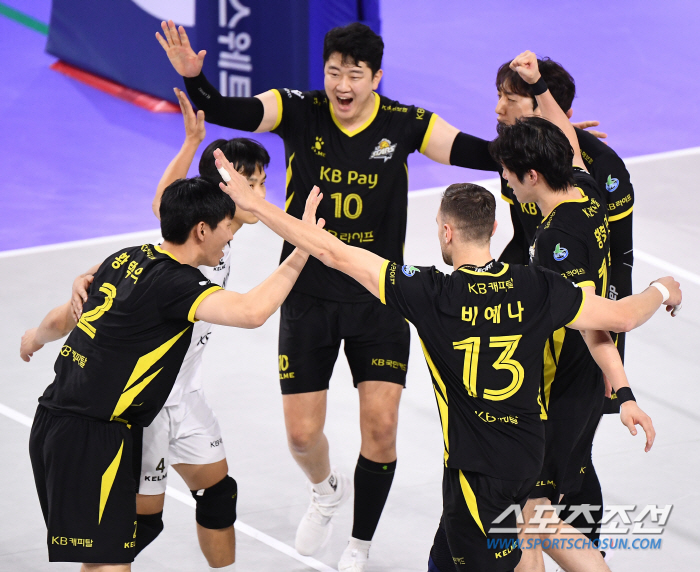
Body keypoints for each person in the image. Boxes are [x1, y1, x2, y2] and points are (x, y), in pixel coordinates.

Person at [211, 147, 681, 572]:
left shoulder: (431, 293)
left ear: (446, 231)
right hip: (528, 453)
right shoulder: (538, 286)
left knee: (502, 550)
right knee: (520, 531)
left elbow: (332, 252)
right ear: (494, 229)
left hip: (477, 472)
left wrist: (255, 205)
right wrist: (661, 289)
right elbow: (621, 317)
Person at [20, 176, 319, 571]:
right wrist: (304, 248)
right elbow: (251, 312)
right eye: (225, 226)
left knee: (109, 558)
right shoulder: (178, 284)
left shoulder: (125, 258)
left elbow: (66, 317)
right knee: (108, 564)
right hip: (89, 436)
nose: (230, 235)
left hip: (64, 421)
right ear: (201, 230)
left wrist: (35, 336)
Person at [69, 89, 271, 570]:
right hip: (147, 403)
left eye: (263, 183)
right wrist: (89, 277)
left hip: (185, 394)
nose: (261, 195)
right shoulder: (192, 247)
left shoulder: (220, 235)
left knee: (218, 495)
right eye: (252, 184)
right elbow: (248, 310)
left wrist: (191, 142)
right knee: (138, 525)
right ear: (223, 189)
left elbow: (165, 201)